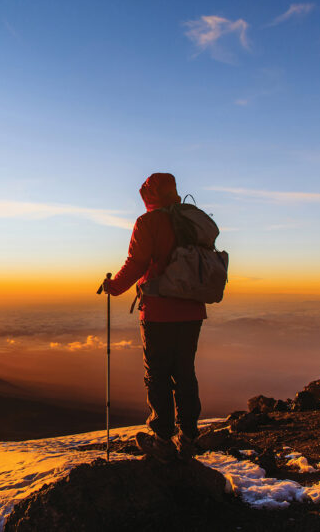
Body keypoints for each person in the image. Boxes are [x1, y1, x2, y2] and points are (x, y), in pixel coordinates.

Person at [101, 172, 206, 461]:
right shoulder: (191, 219)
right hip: (193, 308)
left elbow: (137, 262)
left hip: (159, 310)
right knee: (185, 372)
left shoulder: (148, 222)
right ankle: (189, 436)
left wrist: (114, 287)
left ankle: (162, 438)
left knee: (158, 374)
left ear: (149, 195)